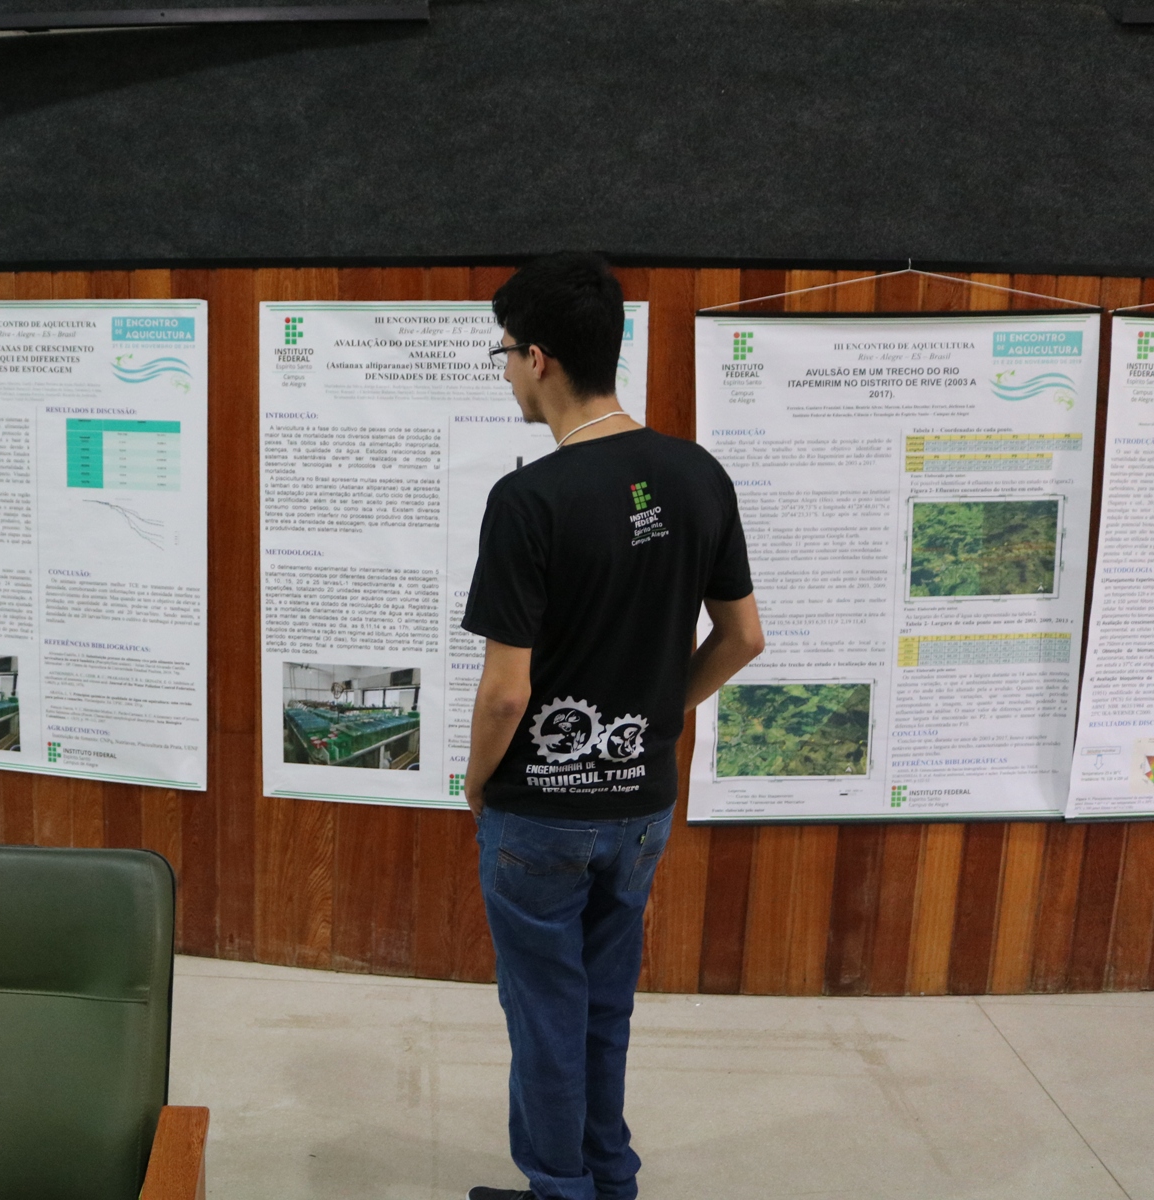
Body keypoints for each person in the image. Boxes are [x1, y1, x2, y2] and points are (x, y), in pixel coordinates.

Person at [460, 253, 765, 1200]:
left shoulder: (528, 500)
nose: (507, 372)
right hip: (640, 807)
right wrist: (661, 711)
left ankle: (561, 1189)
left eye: (505, 353)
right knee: (601, 1005)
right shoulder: (698, 473)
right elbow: (744, 637)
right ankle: (607, 1180)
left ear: (539, 358)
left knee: (544, 1012)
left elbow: (505, 694)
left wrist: (476, 781)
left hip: (540, 816)